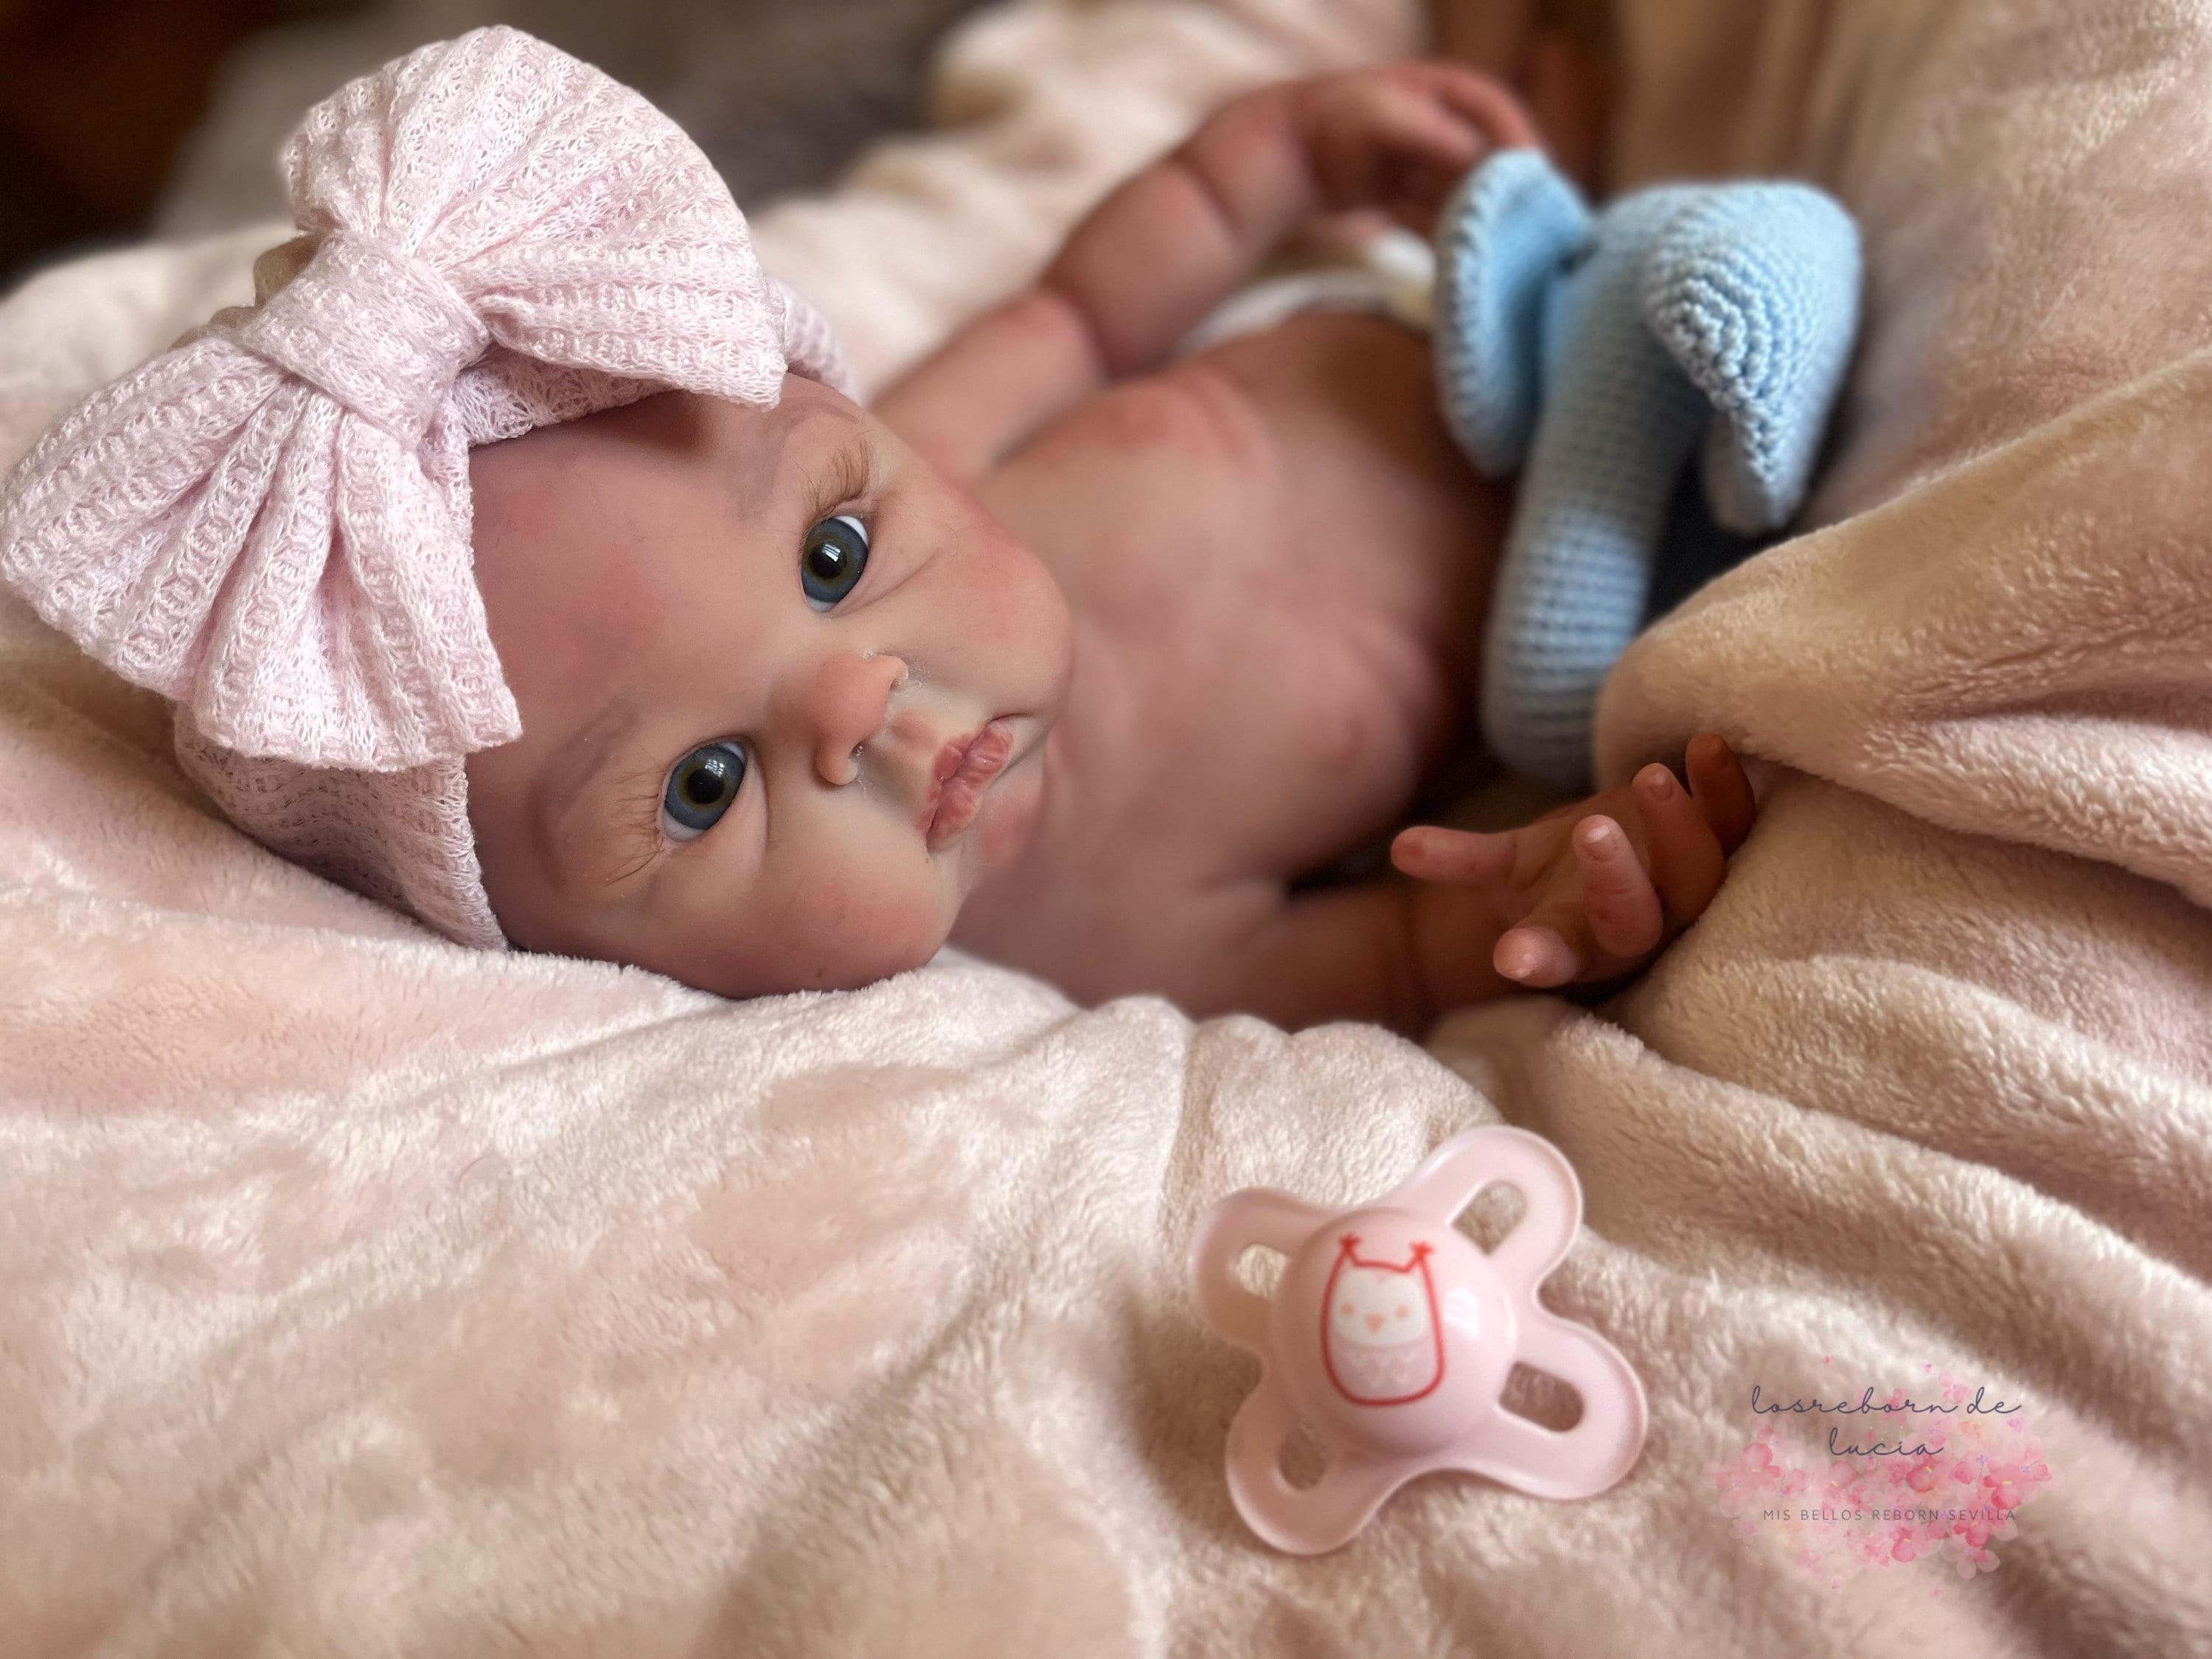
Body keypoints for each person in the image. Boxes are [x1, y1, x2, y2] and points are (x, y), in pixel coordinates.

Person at [0, 32, 1753, 1038]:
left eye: (834, 560)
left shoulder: (950, 431)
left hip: (1410, 300)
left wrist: (1277, 156)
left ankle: (1553, 149)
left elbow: (1088, 306)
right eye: (700, 786)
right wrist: (1554, 904)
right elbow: (1395, 953)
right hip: (1592, 548)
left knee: (1529, 136)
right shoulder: (1094, 948)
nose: (862, 705)